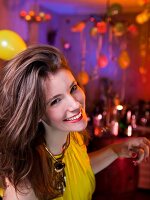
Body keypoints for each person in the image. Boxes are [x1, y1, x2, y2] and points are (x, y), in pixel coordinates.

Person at [0, 44, 150, 200]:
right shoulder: (25, 185)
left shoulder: (72, 138)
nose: (75, 104)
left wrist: (115, 150)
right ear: (35, 113)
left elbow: (78, 171)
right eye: (56, 101)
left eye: (73, 88)